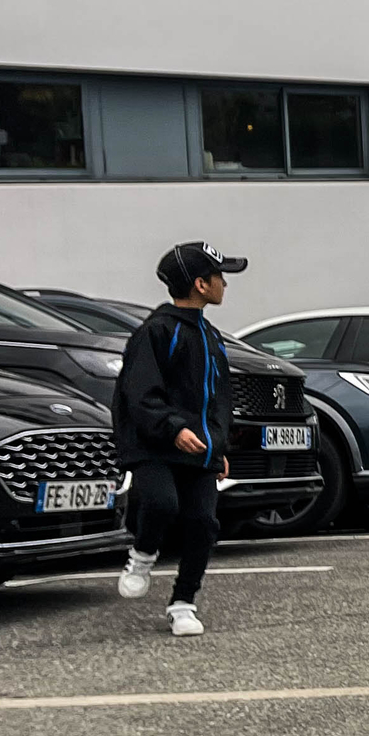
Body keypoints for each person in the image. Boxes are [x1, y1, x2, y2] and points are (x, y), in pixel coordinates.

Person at [112, 241, 246, 637]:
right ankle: (142, 554)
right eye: (220, 277)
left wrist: (218, 446)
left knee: (203, 523)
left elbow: (219, 398)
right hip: (156, 445)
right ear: (201, 284)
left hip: (201, 449)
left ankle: (183, 603)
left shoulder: (212, 336)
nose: (225, 284)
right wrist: (173, 427)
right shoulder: (157, 331)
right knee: (160, 502)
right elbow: (138, 392)